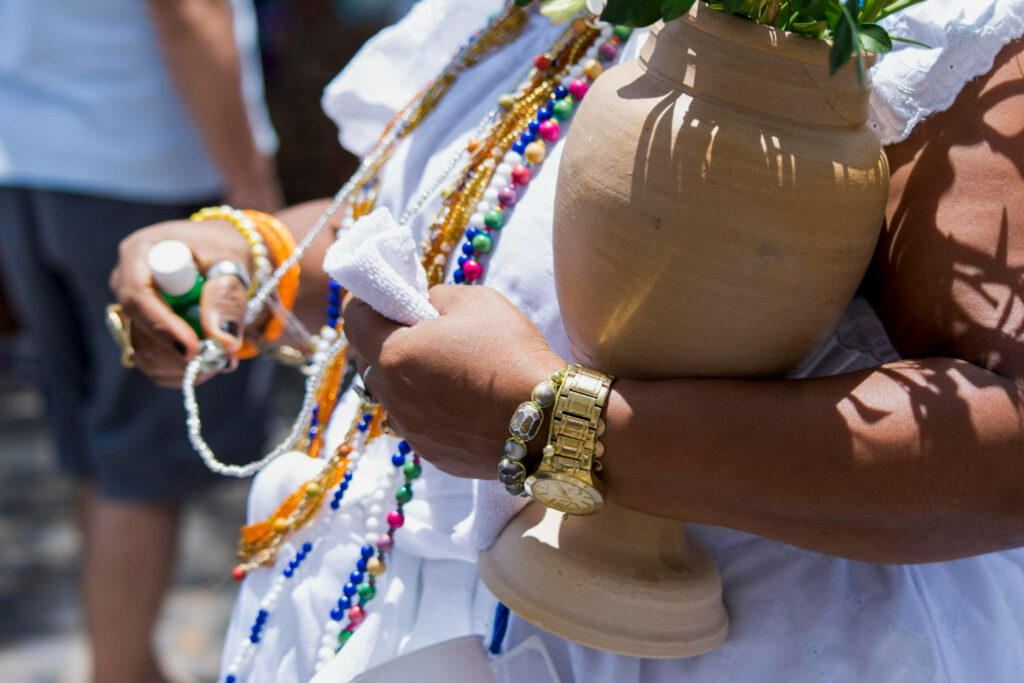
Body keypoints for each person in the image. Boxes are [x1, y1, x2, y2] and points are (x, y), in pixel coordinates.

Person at [110, 0, 1024, 681]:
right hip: (393, 612)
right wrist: (256, 257)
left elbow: (1004, 450)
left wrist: (547, 425)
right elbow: (463, 231)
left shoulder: (948, 30)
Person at [0, 0, 279, 680]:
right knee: (138, 463)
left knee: (104, 454)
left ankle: (122, 662)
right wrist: (254, 196)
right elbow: (188, 12)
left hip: (29, 170)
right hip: (141, 174)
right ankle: (119, 668)